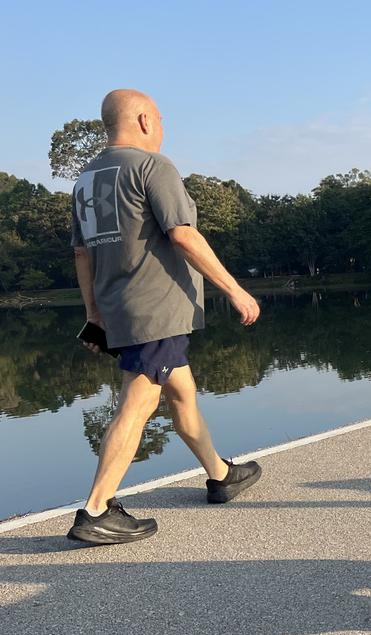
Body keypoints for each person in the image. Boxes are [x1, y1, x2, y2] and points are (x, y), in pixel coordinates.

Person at [66, 89, 263, 545]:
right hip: (154, 309)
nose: (162, 127)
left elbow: (81, 254)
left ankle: (220, 475)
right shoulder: (152, 167)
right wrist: (235, 289)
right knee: (137, 403)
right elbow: (183, 235)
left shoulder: (85, 180)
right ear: (142, 119)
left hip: (120, 308)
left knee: (182, 393)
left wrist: (94, 313)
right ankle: (96, 509)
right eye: (159, 118)